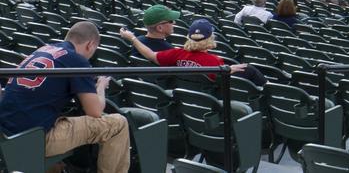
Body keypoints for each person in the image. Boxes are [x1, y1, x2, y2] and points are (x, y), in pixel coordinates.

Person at [0, 22, 130, 173]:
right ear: (90, 44)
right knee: (117, 124)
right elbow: (95, 112)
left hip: (5, 134)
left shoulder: (43, 49)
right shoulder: (76, 60)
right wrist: (100, 85)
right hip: (33, 140)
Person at [121, 19, 264, 87]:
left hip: (187, 95)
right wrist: (229, 70)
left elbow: (150, 55)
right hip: (209, 98)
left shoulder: (176, 54)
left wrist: (133, 38)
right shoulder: (214, 62)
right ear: (210, 39)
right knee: (249, 69)